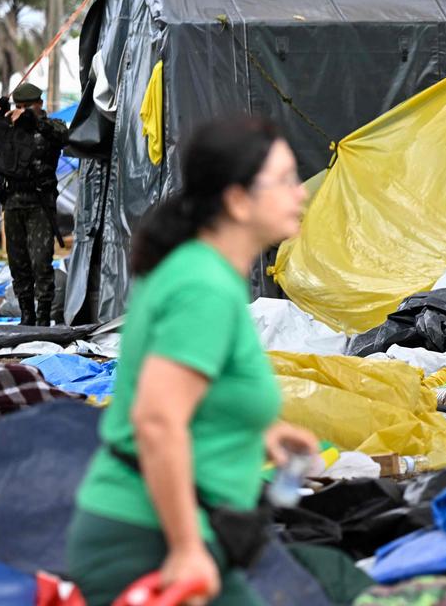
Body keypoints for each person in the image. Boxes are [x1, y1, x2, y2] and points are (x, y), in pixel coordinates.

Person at [65, 116, 318, 606]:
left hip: (185, 536)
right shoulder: (203, 287)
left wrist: (257, 432)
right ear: (238, 200)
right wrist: (184, 548)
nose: (300, 194)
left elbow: (190, 399)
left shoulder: (202, 273)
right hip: (148, 542)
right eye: (285, 181)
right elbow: (158, 419)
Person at [0, 82, 67, 326]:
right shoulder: (10, 128)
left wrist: (32, 119)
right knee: (18, 263)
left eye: (27, 106)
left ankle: (42, 318)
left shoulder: (50, 126)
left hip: (40, 203)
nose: (20, 111)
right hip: (13, 203)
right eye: (18, 106)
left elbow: (62, 136)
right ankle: (26, 316)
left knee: (41, 261)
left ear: (40, 105)